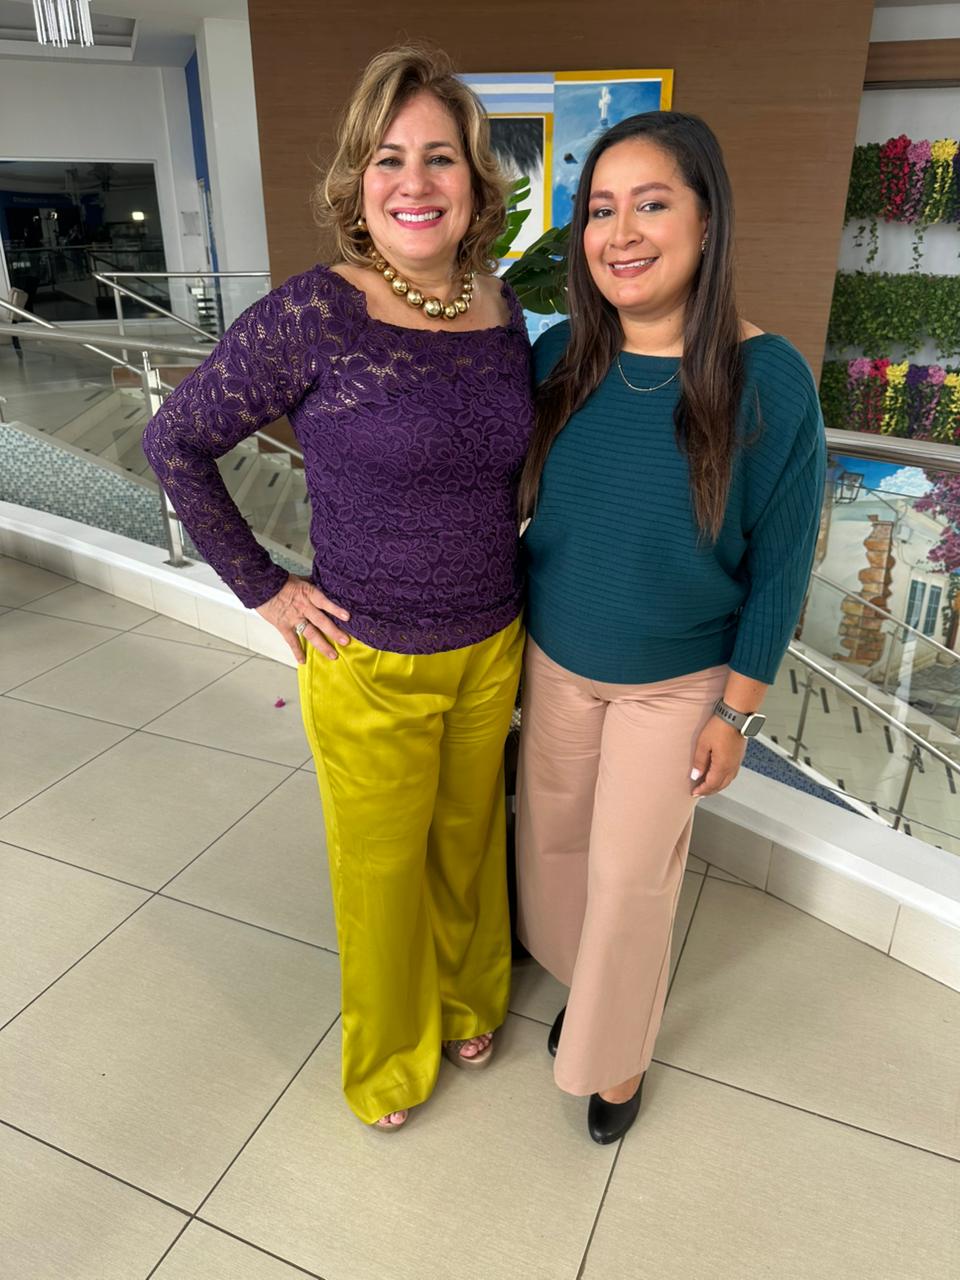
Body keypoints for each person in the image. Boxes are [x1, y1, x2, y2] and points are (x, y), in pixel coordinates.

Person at [142, 44, 532, 1131]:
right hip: (367, 657)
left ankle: (471, 998)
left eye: (440, 157)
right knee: (380, 874)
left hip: (492, 642)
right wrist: (265, 589)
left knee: (470, 843)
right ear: (357, 181)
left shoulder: (500, 308)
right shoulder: (316, 312)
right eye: (388, 158)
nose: (415, 182)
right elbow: (174, 442)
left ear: (476, 181)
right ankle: (390, 1059)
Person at [515, 111, 826, 1145]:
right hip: (556, 661)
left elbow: (782, 562)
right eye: (601, 210)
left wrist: (736, 711)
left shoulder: (768, 378)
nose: (621, 233)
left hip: (676, 685)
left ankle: (616, 1056)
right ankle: (588, 988)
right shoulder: (560, 356)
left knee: (629, 879)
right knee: (555, 846)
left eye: (651, 204)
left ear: (706, 221)